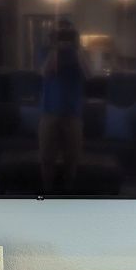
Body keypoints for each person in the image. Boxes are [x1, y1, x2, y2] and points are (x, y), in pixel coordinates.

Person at [39, 20, 89, 192]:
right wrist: (54, 47)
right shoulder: (46, 50)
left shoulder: (79, 53)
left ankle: (68, 191)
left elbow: (88, 74)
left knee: (72, 157)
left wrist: (77, 48)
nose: (64, 37)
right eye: (61, 34)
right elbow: (46, 71)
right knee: (46, 157)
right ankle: (48, 191)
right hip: (49, 112)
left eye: (68, 33)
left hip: (73, 112)